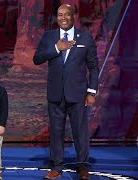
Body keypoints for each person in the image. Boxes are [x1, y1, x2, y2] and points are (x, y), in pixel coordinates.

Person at [33, 4, 99, 180]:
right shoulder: (49, 36)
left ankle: (83, 167)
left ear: (73, 17)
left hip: (78, 93)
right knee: (56, 131)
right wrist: (56, 48)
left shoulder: (84, 37)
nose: (63, 18)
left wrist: (91, 92)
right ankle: (56, 167)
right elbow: (37, 59)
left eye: (66, 15)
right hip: (55, 93)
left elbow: (93, 66)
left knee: (80, 131)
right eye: (60, 14)